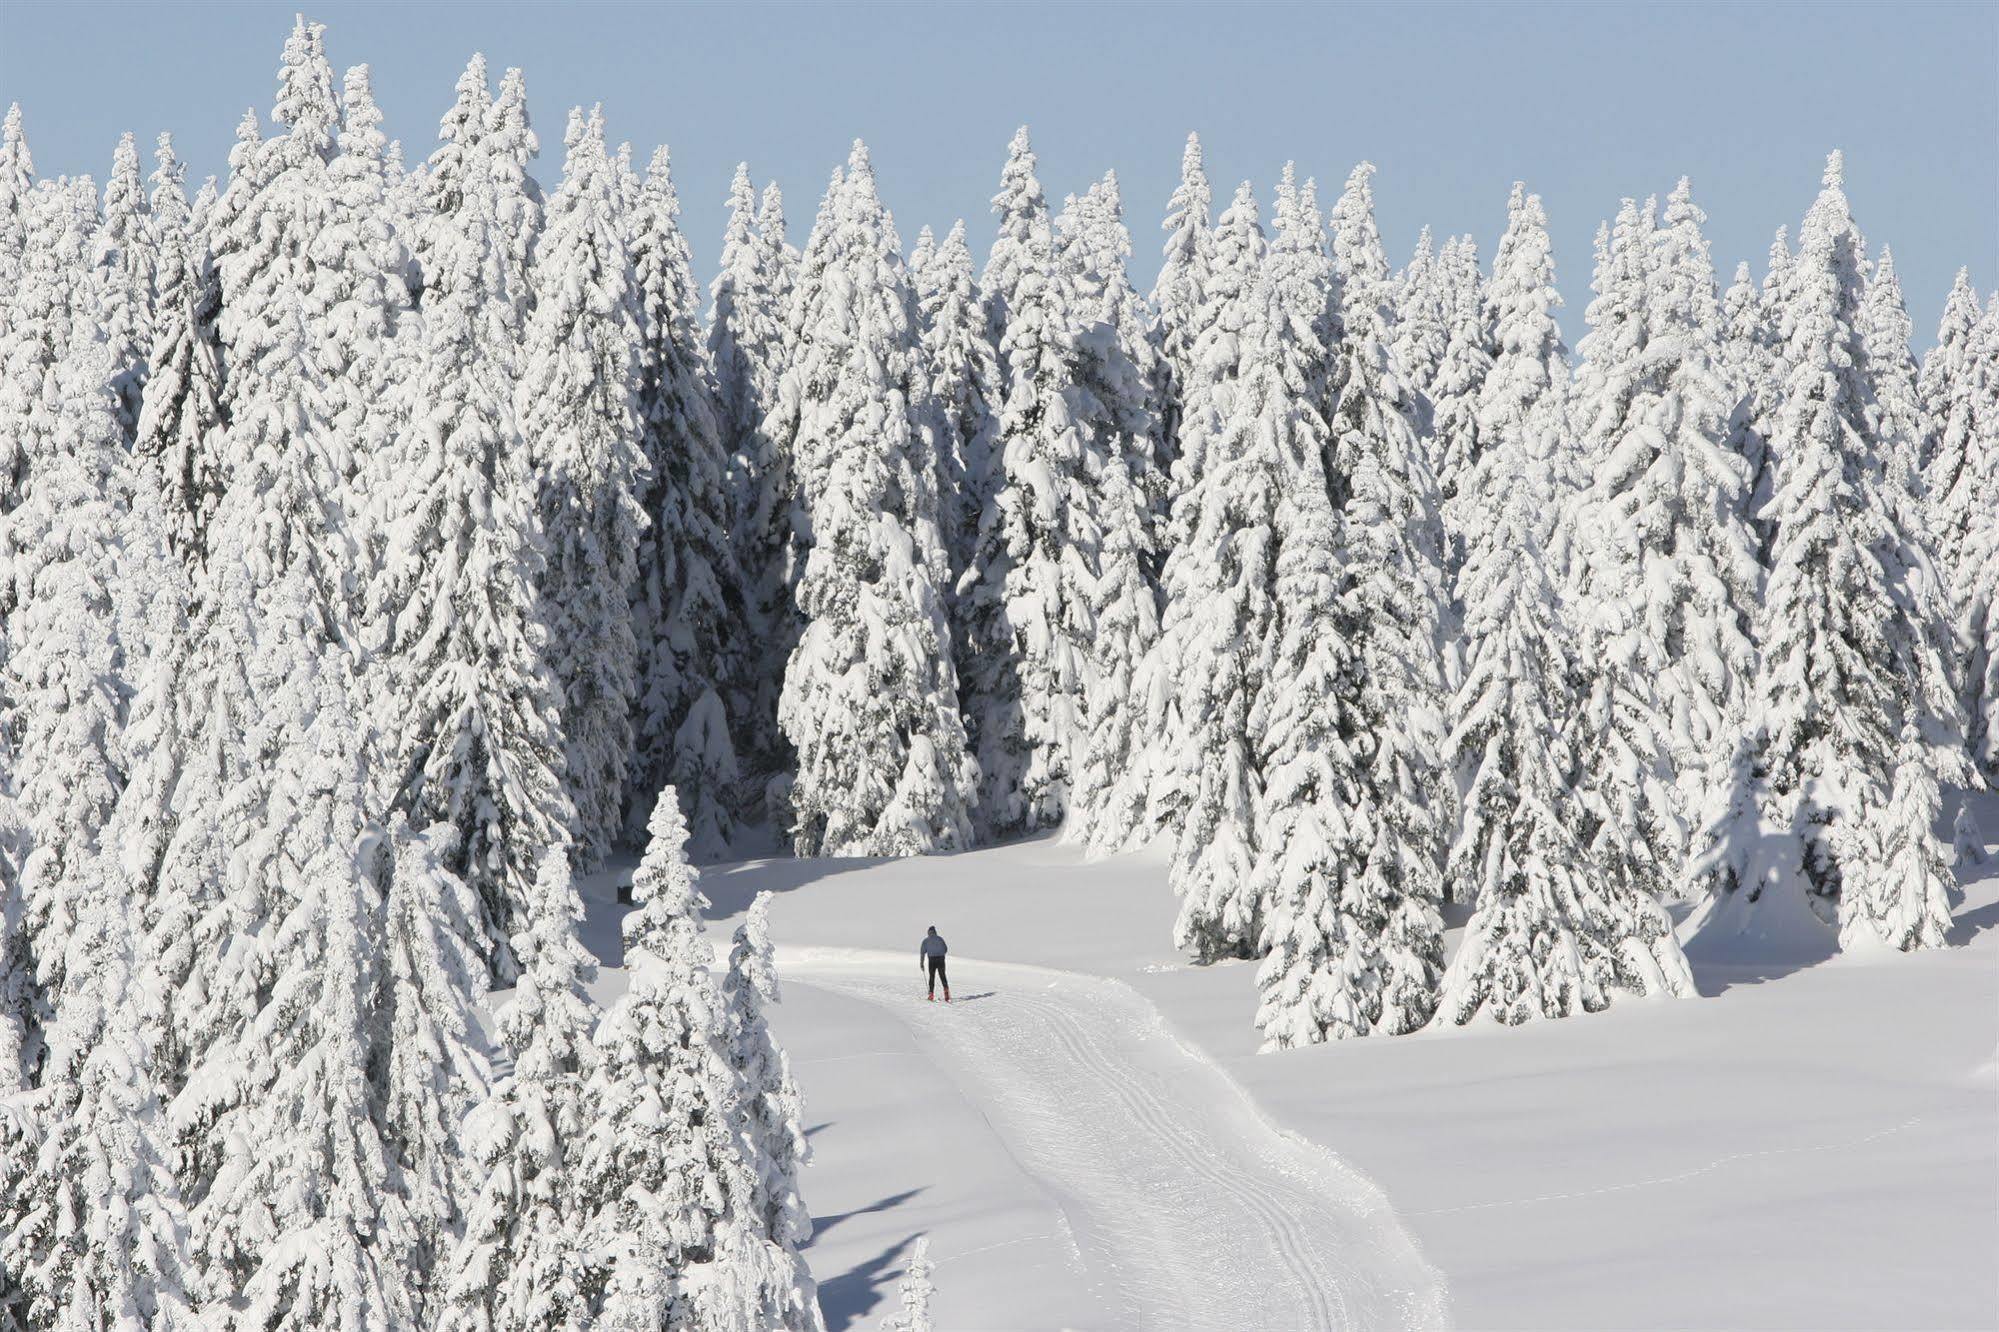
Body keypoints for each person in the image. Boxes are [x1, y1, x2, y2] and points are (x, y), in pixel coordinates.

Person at [918, 925, 950, 1002]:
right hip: (941, 959)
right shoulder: (940, 939)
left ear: (929, 932)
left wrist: (921, 964)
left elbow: (922, 953)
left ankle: (931, 994)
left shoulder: (926, 941)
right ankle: (946, 993)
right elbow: (945, 949)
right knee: (942, 976)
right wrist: (941, 954)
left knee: (932, 977)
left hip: (932, 960)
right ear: (935, 932)